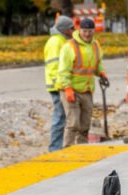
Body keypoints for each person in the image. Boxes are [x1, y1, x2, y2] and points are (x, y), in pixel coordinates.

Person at [57, 17, 108, 147]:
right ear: (80, 30)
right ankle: (67, 151)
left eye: (90, 31)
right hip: (70, 90)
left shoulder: (95, 45)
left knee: (85, 125)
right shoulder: (69, 47)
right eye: (84, 31)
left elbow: (98, 64)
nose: (87, 34)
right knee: (73, 123)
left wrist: (101, 73)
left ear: (94, 31)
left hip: (86, 90)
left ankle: (81, 150)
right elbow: (63, 71)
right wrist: (67, 88)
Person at [43, 15, 74, 152]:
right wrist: (61, 86)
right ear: (65, 29)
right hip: (57, 86)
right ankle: (54, 149)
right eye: (71, 28)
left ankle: (58, 146)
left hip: (59, 85)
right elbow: (54, 67)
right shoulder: (56, 42)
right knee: (60, 117)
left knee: (62, 117)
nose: (73, 30)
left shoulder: (60, 40)